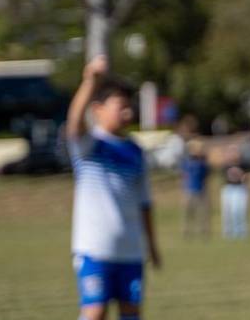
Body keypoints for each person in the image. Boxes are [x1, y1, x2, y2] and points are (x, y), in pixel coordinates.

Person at [66, 56, 161, 320]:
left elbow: (145, 204)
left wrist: (152, 246)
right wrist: (90, 83)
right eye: (120, 105)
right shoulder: (90, 146)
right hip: (95, 248)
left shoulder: (135, 152)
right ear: (97, 109)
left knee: (131, 314)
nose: (127, 112)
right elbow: (74, 123)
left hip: (130, 250)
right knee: (95, 312)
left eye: (128, 106)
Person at [220, 147, 250, 240]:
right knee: (228, 211)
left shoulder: (244, 165)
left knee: (239, 211)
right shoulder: (226, 166)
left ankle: (241, 232)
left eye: (235, 153)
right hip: (229, 189)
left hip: (240, 189)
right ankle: (228, 232)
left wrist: (246, 180)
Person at [181, 139, 210, 239]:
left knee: (202, 212)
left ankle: (204, 231)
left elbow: (206, 174)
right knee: (188, 212)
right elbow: (184, 175)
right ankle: (187, 231)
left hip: (201, 190)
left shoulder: (202, 163)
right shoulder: (187, 162)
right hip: (189, 190)